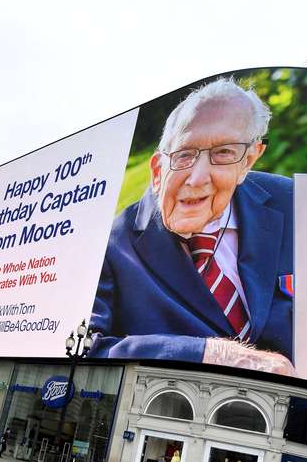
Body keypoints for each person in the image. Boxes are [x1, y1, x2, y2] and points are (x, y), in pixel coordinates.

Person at [90, 79, 295, 374]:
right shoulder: (107, 246)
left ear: (248, 161)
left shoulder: (293, 203)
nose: (197, 179)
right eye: (184, 155)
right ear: (157, 169)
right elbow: (84, 350)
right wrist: (212, 354)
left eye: (223, 153)